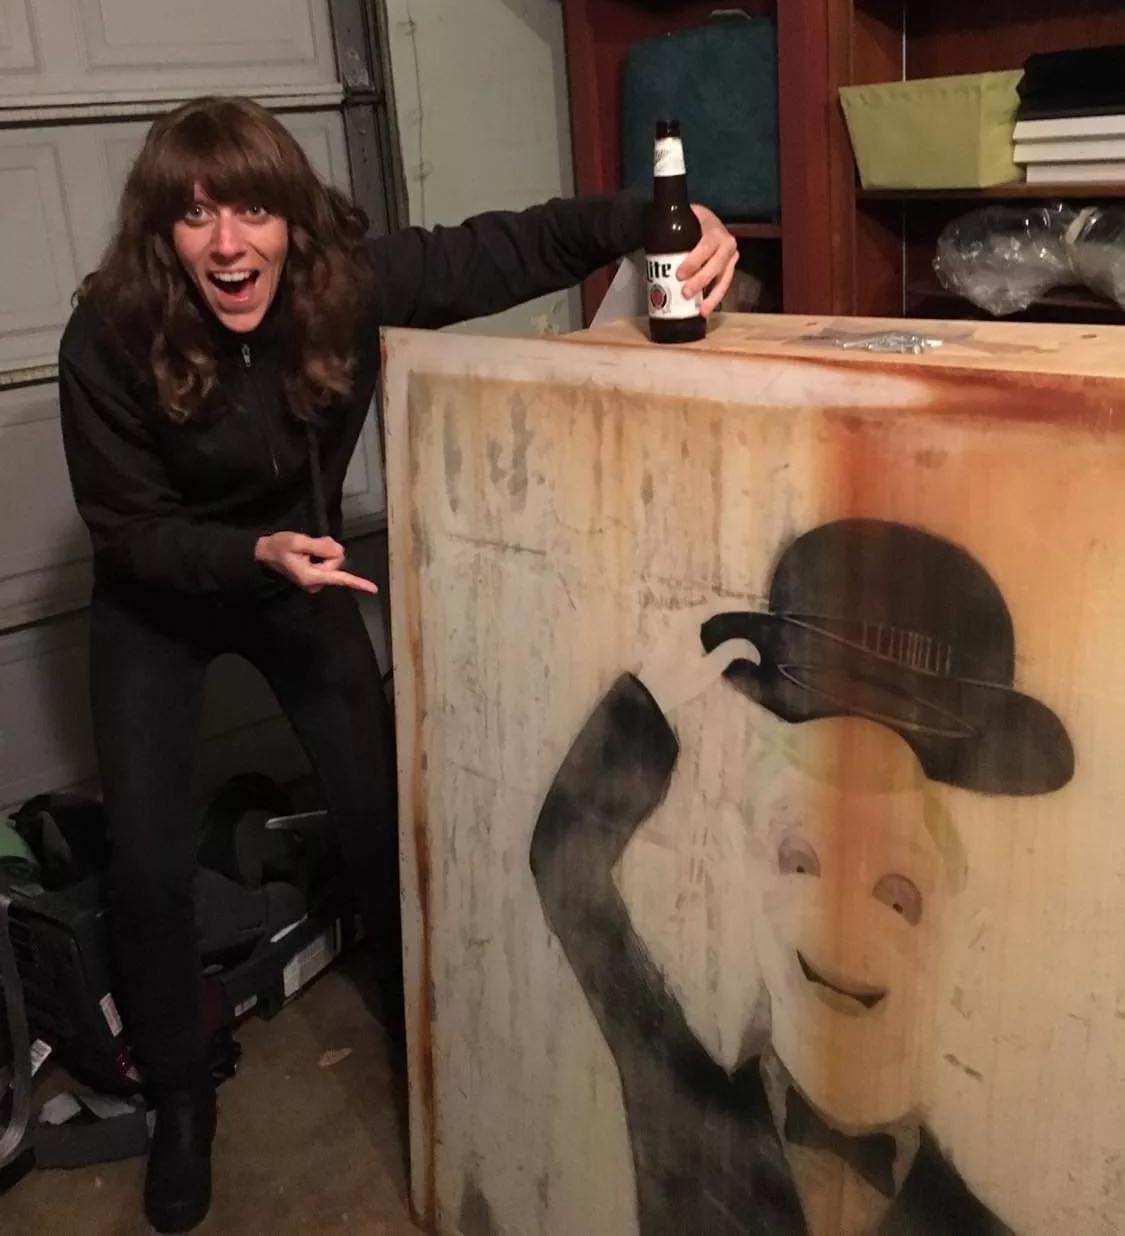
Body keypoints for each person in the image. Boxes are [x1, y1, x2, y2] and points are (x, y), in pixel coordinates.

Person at [56, 95, 739, 1234]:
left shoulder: (345, 286)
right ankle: (179, 1094)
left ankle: (424, 1032)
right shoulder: (109, 333)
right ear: (162, 237)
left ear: (292, 220)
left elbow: (512, 245)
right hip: (161, 594)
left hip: (302, 576)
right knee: (148, 861)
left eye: (253, 210)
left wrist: (658, 218)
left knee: (380, 815)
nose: (228, 242)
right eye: (196, 216)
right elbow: (125, 532)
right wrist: (248, 551)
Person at [531, 519, 1074, 1235]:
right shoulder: (688, 1109)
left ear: (966, 938)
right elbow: (568, 870)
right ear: (746, 868)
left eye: (898, 898)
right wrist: (648, 701)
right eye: (799, 861)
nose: (838, 923)